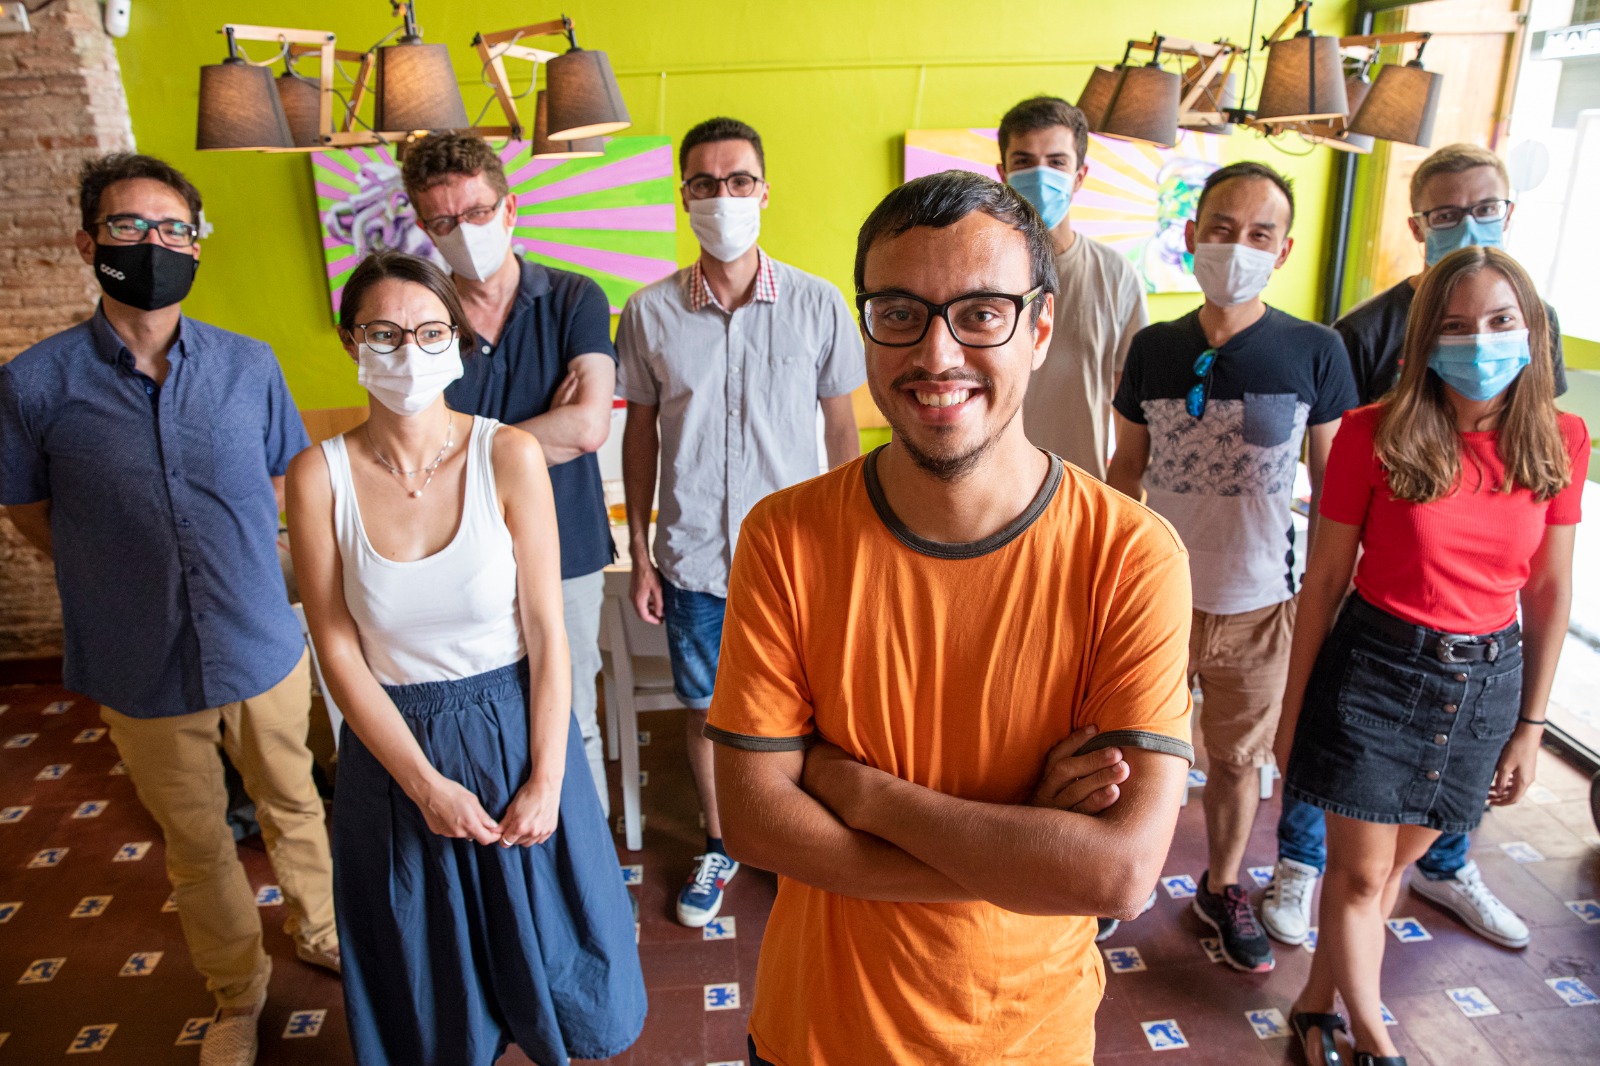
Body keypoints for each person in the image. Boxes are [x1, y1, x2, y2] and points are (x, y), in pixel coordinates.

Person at [707, 169, 1194, 1065]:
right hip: (817, 1030)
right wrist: (1019, 853)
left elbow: (1116, 874)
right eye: (900, 313)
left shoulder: (1130, 555)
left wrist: (861, 792)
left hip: (1026, 1037)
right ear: (866, 330)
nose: (937, 355)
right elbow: (754, 821)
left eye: (981, 314)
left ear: (1039, 329)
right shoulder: (785, 536)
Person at [0, 153, 338, 1066]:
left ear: (197, 244)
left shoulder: (247, 364)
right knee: (195, 845)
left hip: (259, 638)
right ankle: (237, 994)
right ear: (88, 243)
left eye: (173, 229)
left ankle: (321, 931)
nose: (154, 245)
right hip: (137, 657)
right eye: (128, 228)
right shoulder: (35, 385)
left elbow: (285, 478)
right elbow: (31, 513)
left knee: (296, 803)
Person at [286, 251, 644, 1066]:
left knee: (558, 965)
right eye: (385, 332)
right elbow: (337, 645)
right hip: (394, 746)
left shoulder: (507, 455)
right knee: (428, 983)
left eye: (430, 331)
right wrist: (422, 784)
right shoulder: (320, 477)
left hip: (517, 732)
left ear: (455, 342)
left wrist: (549, 779)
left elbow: (549, 631)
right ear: (351, 342)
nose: (409, 352)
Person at [1275, 245, 1585, 1066]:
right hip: (1378, 670)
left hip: (1486, 684)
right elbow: (1327, 580)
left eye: (1498, 322)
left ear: (1531, 333)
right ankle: (1377, 1041)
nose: (1478, 342)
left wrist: (1531, 725)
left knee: (1391, 873)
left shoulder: (1561, 439)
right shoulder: (1372, 434)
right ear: (1422, 340)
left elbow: (1549, 595)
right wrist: (1293, 709)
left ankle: (1314, 1006)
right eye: (1455, 325)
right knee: (1354, 876)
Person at [1108, 161, 1359, 974]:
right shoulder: (1153, 348)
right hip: (1160, 606)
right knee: (1142, 749)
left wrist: (1330, 594)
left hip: (1265, 607)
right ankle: (1122, 880)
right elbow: (1124, 473)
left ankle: (1222, 885)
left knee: (1238, 761)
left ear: (1282, 251)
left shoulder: (1315, 352)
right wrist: (1113, 578)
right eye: (1221, 229)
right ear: (1190, 238)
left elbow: (1335, 491)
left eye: (1258, 235)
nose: (1237, 247)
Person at [617, 116, 865, 928]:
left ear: (764, 190)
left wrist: (850, 540)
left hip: (801, 559)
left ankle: (799, 841)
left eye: (738, 181)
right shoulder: (648, 314)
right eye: (704, 183)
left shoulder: (819, 303)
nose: (722, 197)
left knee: (817, 710)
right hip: (694, 561)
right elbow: (641, 434)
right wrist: (646, 555)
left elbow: (840, 433)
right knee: (708, 710)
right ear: (683, 196)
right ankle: (723, 840)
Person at [400, 132, 619, 818]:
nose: (462, 232)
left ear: (510, 207)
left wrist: (462, 451)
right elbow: (412, 443)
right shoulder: (421, 316)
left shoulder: (572, 298)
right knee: (479, 722)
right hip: (457, 555)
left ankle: (588, 874)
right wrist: (529, 440)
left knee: (573, 719)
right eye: (442, 221)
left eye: (475, 212)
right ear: (422, 226)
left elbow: (586, 427)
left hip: (569, 550)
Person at [997, 95, 1148, 480]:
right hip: (990, 493)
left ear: (1079, 176)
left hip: (1083, 489)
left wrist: (1120, 499)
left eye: (1057, 162)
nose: (1041, 174)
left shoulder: (1117, 276)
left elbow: (1131, 411)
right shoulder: (979, 274)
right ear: (1003, 173)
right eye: (1024, 161)